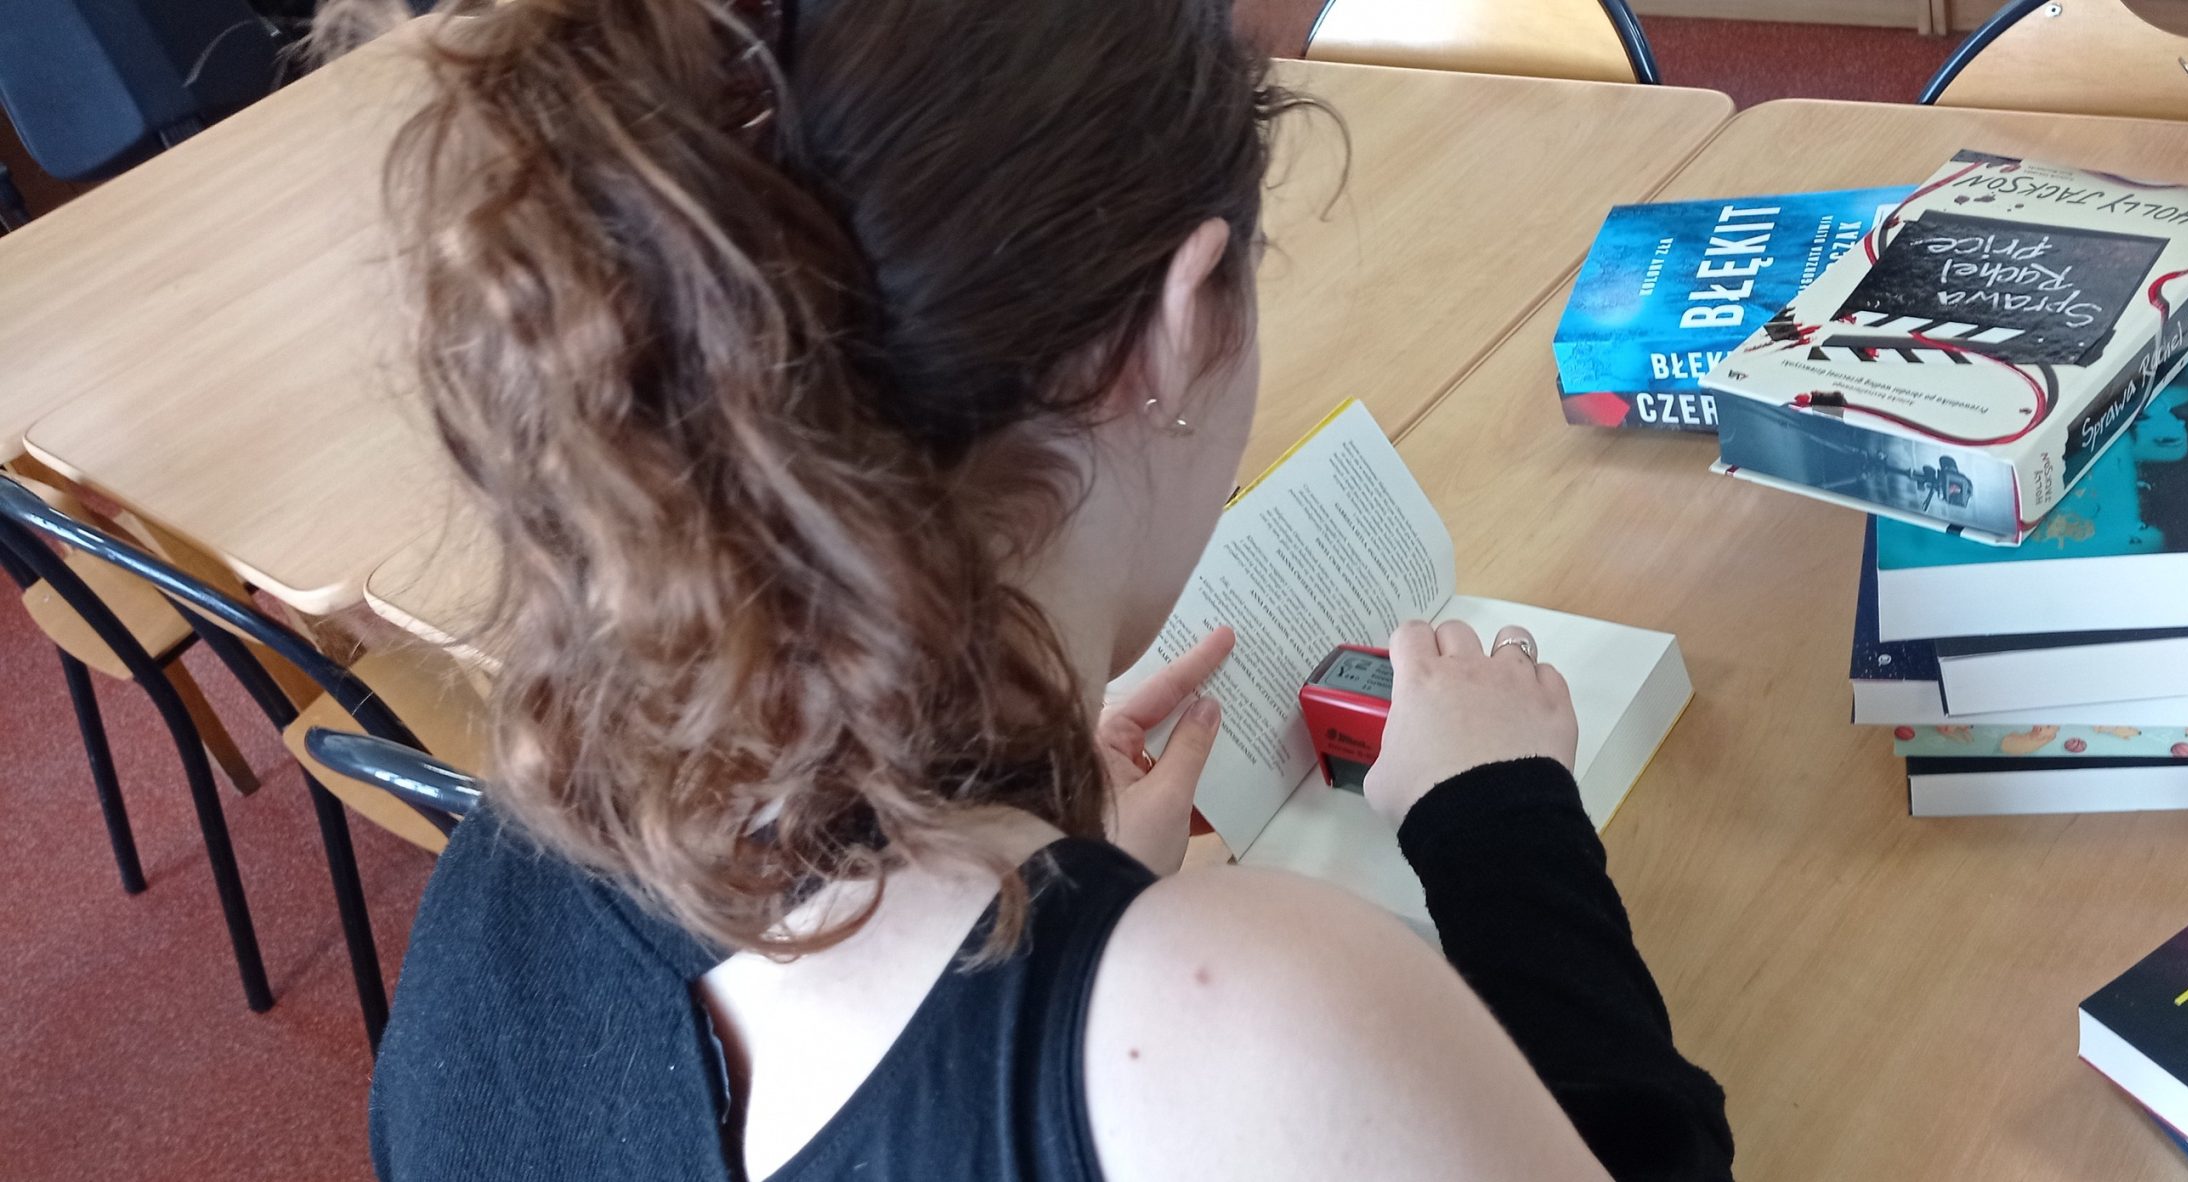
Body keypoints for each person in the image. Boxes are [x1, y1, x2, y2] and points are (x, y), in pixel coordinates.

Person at [340, 0, 1734, 1178]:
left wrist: (1058, 856)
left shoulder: (496, 879)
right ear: (1174, 327)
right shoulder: (1261, 1021)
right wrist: (1501, 820)